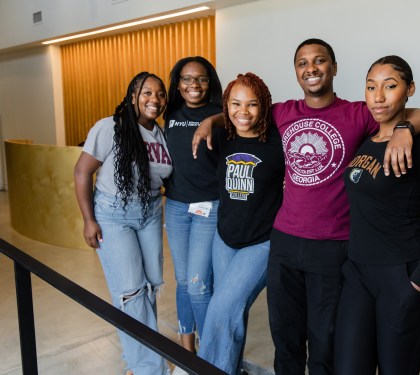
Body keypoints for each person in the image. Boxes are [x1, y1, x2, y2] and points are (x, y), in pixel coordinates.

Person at [192, 38, 420, 375]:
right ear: (296, 72)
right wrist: (211, 121)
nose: (311, 68)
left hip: (333, 246)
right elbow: (242, 112)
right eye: (302, 62)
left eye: (319, 60)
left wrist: (405, 128)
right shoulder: (283, 111)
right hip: (284, 241)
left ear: (334, 68)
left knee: (324, 340)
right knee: (286, 338)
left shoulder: (358, 112)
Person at [333, 55, 420, 374]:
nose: (378, 96)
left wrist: (417, 283)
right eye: (370, 87)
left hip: (403, 275)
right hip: (358, 275)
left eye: (389, 86)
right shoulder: (366, 142)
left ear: (410, 89)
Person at [74, 72, 172, 375]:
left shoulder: (161, 134)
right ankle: (149, 369)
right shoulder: (110, 127)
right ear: (132, 96)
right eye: (146, 93)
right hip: (114, 214)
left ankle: (138, 360)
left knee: (150, 287)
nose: (153, 99)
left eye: (159, 94)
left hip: (152, 211)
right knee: (130, 292)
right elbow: (81, 172)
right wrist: (89, 220)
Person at [197, 72, 285, 375]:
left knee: (221, 309)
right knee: (232, 312)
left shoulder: (278, 140)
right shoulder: (222, 136)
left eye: (252, 104)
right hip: (225, 238)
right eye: (235, 104)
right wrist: (212, 121)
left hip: (261, 242)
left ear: (264, 107)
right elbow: (222, 119)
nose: (243, 112)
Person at [163, 56, 223, 361]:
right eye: (186, 79)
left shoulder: (221, 114)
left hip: (209, 207)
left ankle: (210, 356)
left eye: (200, 78)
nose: (193, 85)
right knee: (184, 282)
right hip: (174, 206)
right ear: (178, 83)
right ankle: (187, 353)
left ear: (209, 82)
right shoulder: (170, 113)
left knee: (199, 286)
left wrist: (212, 121)